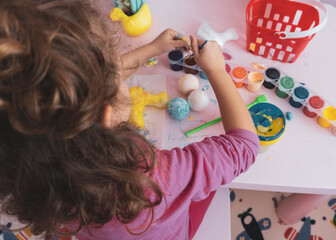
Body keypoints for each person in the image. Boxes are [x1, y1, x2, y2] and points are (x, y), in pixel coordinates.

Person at [0, 1, 259, 239]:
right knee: (209, 186)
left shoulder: (32, 179)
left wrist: (151, 49)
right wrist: (215, 71)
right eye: (115, 71)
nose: (119, 70)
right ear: (105, 114)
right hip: (171, 231)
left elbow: (83, 90)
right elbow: (245, 145)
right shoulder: (152, 181)